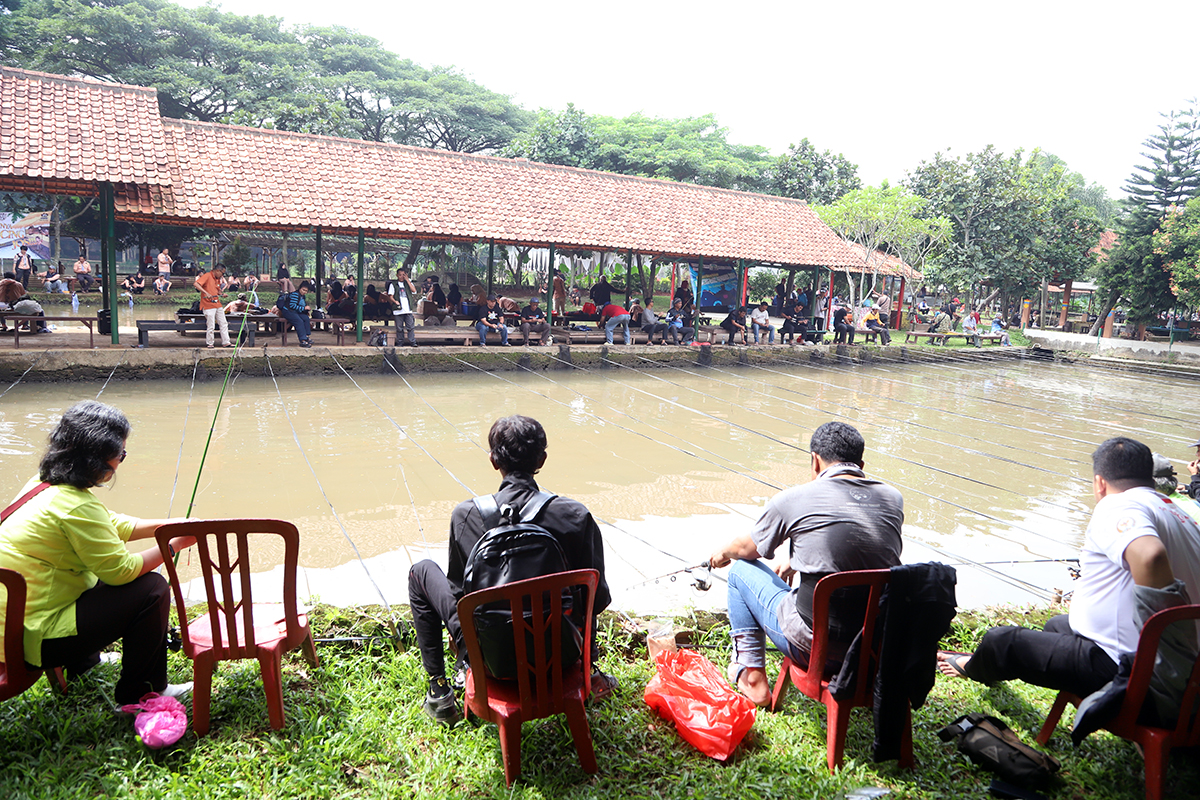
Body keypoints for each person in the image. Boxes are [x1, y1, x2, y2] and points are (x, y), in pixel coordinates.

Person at [938, 437, 1200, 699]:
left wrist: (1168, 649)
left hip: (1139, 672)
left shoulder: (1117, 504)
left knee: (1002, 641)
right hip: (1172, 665)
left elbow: (1150, 557)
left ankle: (969, 667)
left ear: (1099, 482)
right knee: (1056, 625)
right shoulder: (1177, 511)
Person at [406, 415, 614, 724]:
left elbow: (460, 596)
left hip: (492, 661)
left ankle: (440, 692)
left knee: (420, 571)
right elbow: (595, 600)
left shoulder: (466, 515)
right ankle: (591, 671)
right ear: (542, 459)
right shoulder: (575, 515)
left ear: (493, 460)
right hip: (563, 656)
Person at [0, 401, 197, 706]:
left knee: (90, 579)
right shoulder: (77, 505)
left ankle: (84, 663)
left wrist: (170, 526)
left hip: (13, 627)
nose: (122, 460)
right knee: (152, 590)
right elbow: (121, 571)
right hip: (32, 641)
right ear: (98, 461)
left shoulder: (43, 485)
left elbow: (109, 523)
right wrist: (173, 545)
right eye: (121, 454)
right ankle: (143, 692)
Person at [708, 421, 904, 707]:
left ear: (814, 460)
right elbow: (856, 549)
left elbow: (746, 549)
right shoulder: (892, 498)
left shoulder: (794, 498)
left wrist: (721, 554)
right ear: (861, 464)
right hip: (873, 649)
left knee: (740, 571)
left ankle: (752, 678)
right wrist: (796, 560)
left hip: (813, 650)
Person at [193, 265, 232, 349]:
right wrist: (206, 293)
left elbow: (217, 289)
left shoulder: (217, 279)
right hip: (208, 304)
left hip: (217, 303)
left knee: (223, 323)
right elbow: (196, 284)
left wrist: (221, 294)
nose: (222, 275)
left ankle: (226, 342)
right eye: (222, 273)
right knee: (211, 324)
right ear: (217, 270)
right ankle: (210, 342)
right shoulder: (207, 275)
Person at [274, 280, 314, 348]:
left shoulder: (302, 296)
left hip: (295, 312)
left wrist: (305, 310)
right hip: (288, 311)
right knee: (299, 321)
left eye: (306, 291)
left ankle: (307, 336)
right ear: (300, 288)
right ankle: (302, 340)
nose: (304, 292)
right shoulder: (295, 294)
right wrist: (304, 308)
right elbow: (292, 306)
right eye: (303, 290)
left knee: (306, 318)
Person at [386, 268, 418, 347]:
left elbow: (414, 290)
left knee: (410, 326)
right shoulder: (393, 284)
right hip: (398, 309)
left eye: (403, 275)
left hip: (408, 309)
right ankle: (400, 342)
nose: (402, 276)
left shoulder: (408, 283)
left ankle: (412, 342)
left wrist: (408, 280)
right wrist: (395, 301)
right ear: (397, 275)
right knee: (399, 328)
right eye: (400, 275)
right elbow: (390, 296)